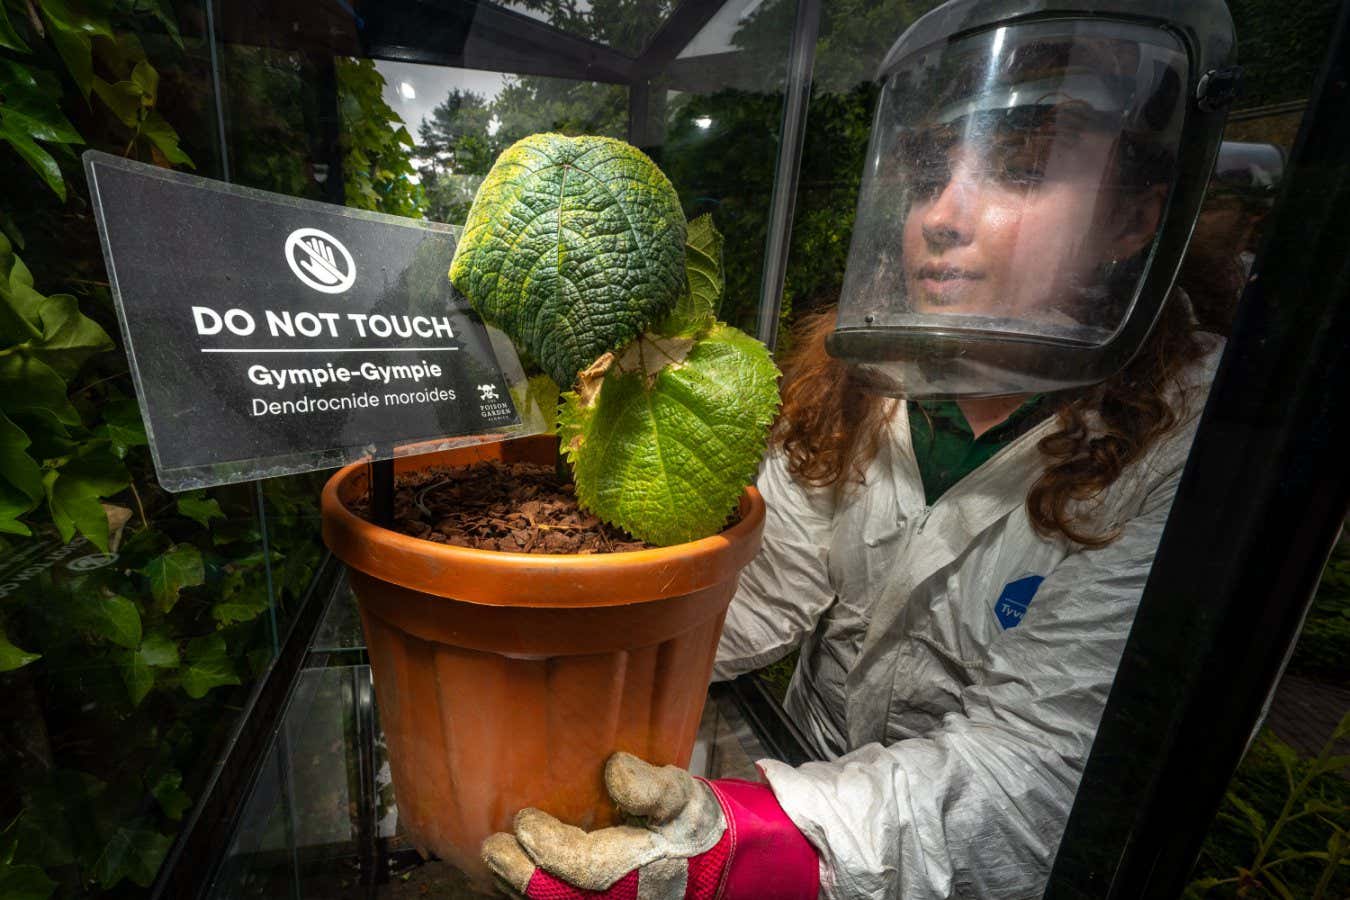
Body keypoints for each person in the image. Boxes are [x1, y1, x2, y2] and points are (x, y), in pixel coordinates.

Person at [482, 1, 1238, 897]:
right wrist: (546, 648)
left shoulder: (1202, 447)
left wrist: (751, 851)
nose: (940, 218)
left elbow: (1039, 769)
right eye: (926, 178)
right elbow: (761, 595)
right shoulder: (867, 385)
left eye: (1022, 169)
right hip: (803, 769)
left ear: (1134, 218)